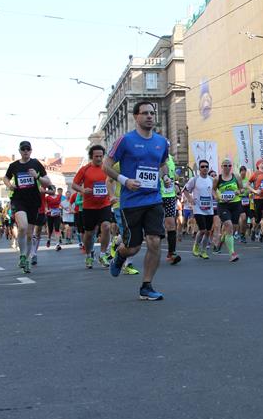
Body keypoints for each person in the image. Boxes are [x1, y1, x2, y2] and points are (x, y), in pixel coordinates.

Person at [104, 101, 173, 301]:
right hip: (131, 202)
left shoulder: (161, 142)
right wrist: (124, 180)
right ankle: (120, 255)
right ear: (136, 117)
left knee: (154, 241)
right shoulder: (125, 141)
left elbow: (163, 164)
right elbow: (106, 166)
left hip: (154, 199)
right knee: (133, 247)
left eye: (152, 113)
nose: (149, 116)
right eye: (145, 113)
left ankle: (146, 286)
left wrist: (165, 176)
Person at [3, 141, 51, 272]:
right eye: (23, 149)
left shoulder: (36, 164)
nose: (25, 151)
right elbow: (5, 178)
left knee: (30, 235)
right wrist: (9, 185)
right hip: (18, 199)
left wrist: (37, 176)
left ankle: (26, 259)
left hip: (33, 201)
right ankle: (22, 255)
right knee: (22, 227)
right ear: (19, 151)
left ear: (31, 151)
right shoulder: (14, 166)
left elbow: (48, 182)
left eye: (28, 149)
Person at [73, 145, 114, 269]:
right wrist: (82, 190)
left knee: (106, 226)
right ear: (91, 156)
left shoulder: (107, 168)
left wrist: (112, 195)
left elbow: (113, 181)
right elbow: (74, 184)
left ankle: (102, 254)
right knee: (89, 233)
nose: (99, 158)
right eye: (96, 156)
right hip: (89, 206)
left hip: (104, 204)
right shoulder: (85, 169)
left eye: (101, 156)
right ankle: (88, 255)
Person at [213, 158, 243, 262]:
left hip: (236, 204)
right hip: (223, 205)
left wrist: (239, 192)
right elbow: (213, 190)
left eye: (229, 165)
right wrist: (216, 197)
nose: (227, 167)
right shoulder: (217, 179)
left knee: (232, 229)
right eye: (225, 165)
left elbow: (242, 188)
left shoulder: (236, 177)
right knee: (229, 226)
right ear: (221, 167)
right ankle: (232, 254)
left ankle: (220, 242)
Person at [185, 159, 214, 260]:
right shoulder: (195, 179)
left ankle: (204, 251)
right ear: (199, 168)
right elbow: (185, 190)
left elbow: (215, 191)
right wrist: (190, 199)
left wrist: (218, 197)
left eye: (206, 166)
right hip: (198, 208)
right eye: (202, 167)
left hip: (209, 209)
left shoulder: (211, 179)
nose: (204, 168)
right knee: (202, 230)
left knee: (208, 231)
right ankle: (196, 246)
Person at [161, 151, 182, 264]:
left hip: (169, 196)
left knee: (171, 224)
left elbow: (173, 177)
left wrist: (176, 188)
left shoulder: (171, 158)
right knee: (156, 226)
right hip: (156, 196)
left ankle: (171, 253)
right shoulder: (155, 154)